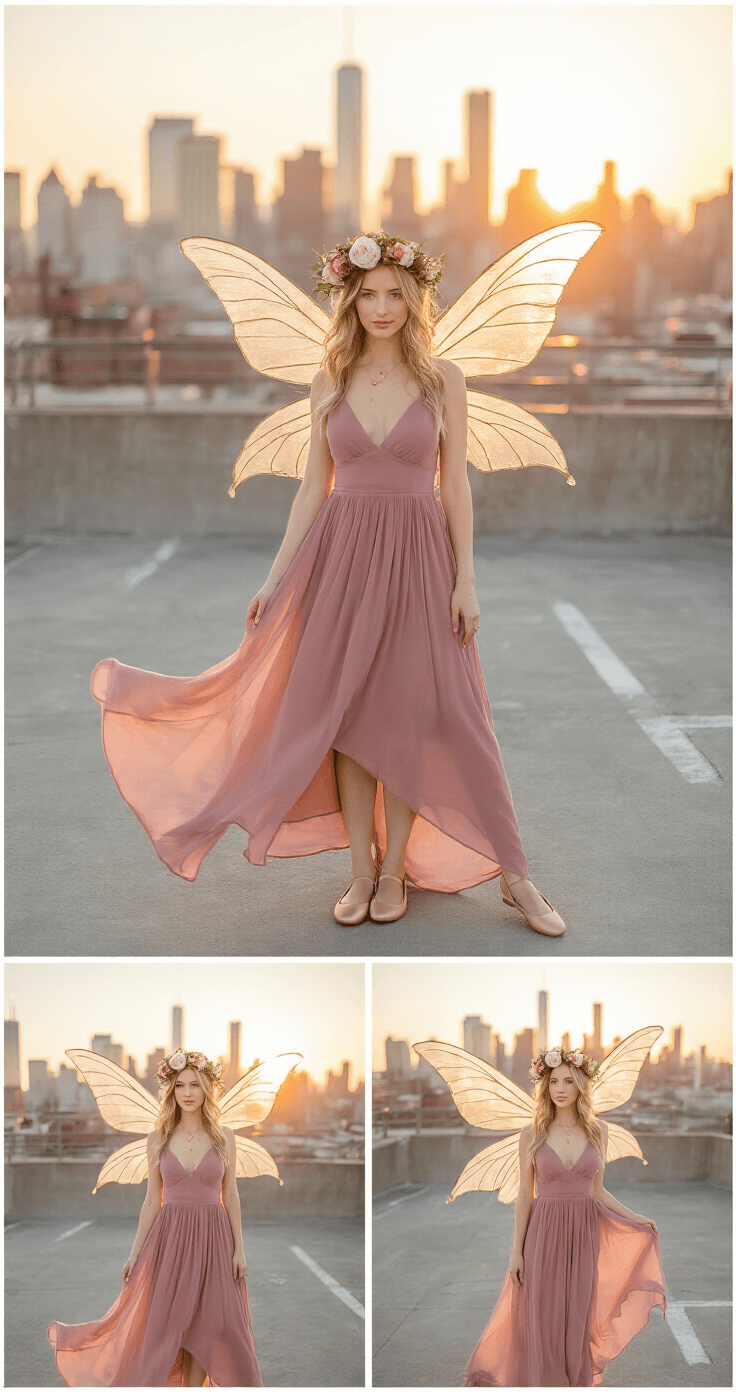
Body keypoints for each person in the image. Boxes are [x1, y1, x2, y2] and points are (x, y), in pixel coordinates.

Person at [91, 230, 566, 935]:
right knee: (345, 721)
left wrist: (467, 579)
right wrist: (275, 577)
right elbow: (312, 489)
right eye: (369, 295)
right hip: (338, 559)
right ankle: (362, 874)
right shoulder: (329, 381)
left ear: (414, 299)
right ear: (349, 298)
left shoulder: (444, 380)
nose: (382, 309)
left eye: (395, 297)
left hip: (418, 555)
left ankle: (408, 871)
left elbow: (456, 485)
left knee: (414, 716)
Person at [48, 1052, 262, 1387]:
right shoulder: (157, 1138)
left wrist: (240, 1250)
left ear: (207, 1089)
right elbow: (151, 1201)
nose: (188, 1092)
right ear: (171, 1090)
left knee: (215, 1325)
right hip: (170, 1241)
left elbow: (231, 1195)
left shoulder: (225, 1136)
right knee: (170, 1326)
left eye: (195, 1085)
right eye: (180, 1085)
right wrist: (134, 1254)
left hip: (215, 1240)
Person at [463, 1048, 666, 1387]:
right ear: (544, 1086)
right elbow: (525, 1196)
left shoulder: (599, 1130)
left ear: (580, 1086)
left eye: (568, 1082)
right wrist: (517, 1251)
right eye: (553, 1081)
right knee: (543, 1315)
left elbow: (597, 1190)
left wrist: (635, 1217)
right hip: (543, 1234)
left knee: (577, 1314)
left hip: (585, 1233)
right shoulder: (533, 1133)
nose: (559, 1088)